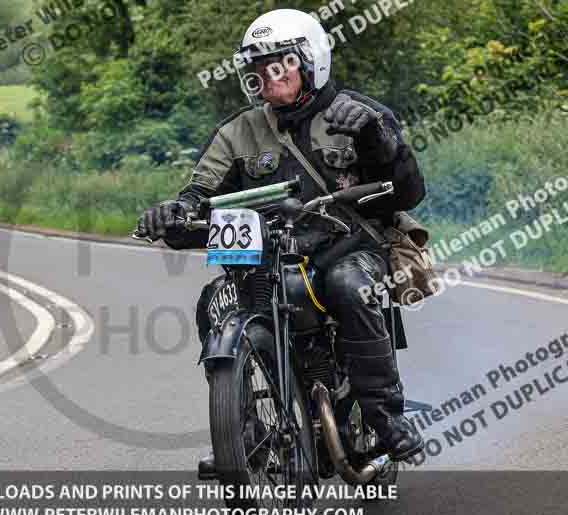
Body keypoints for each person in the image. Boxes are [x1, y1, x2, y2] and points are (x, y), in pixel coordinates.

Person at [137, 9, 426, 476]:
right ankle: (243, 431)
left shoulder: (360, 115)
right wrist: (173, 213)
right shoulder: (239, 131)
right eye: (257, 68)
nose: (266, 76)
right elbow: (201, 193)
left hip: (348, 247)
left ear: (310, 61)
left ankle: (385, 417)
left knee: (351, 286)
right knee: (215, 300)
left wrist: (381, 143)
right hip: (266, 258)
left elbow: (409, 192)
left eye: (279, 64)